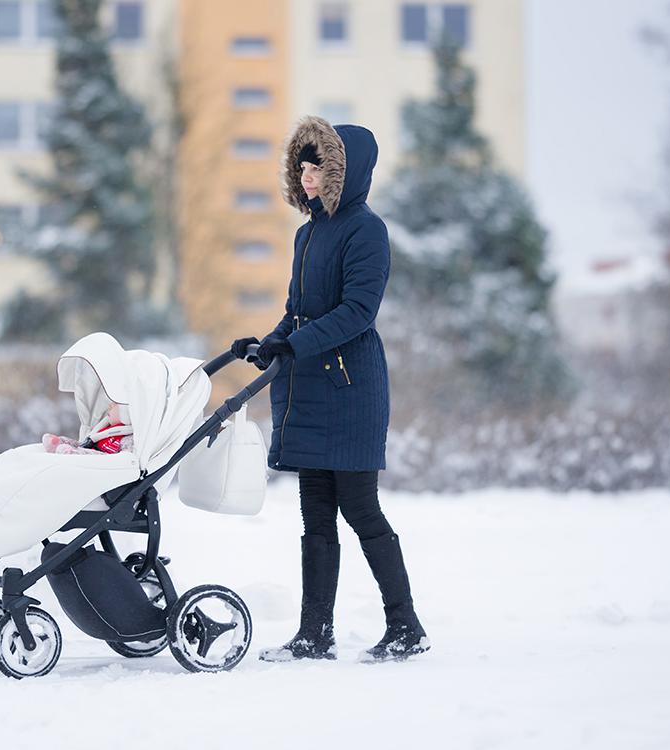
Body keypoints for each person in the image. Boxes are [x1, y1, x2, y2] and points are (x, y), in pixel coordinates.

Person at [231, 115, 429, 663]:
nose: (307, 172)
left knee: (360, 508)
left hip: (350, 386)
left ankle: (405, 626)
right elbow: (299, 311)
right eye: (302, 162)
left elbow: (358, 313)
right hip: (311, 385)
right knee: (314, 512)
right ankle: (314, 633)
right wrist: (273, 342)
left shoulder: (367, 230)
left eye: (318, 164)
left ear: (344, 172)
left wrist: (297, 345)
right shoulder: (308, 232)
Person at [43, 402, 134, 455]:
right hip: (92, 448)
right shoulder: (106, 428)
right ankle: (58, 443)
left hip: (103, 460)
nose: (109, 406)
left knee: (84, 453)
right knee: (80, 445)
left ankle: (71, 452)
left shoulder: (127, 437)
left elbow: (126, 456)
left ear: (126, 414)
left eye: (114, 405)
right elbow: (86, 443)